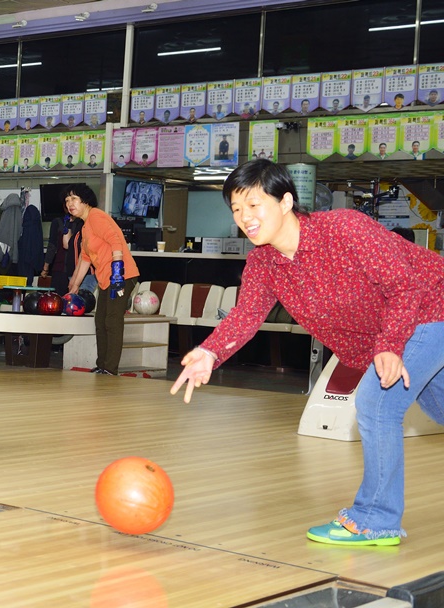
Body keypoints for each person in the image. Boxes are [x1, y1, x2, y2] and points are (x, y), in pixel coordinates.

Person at [169, 159, 444, 547]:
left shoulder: (344, 228)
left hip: (431, 307)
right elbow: (246, 315)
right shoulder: (264, 263)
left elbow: (405, 286)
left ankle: (375, 520)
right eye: (235, 209)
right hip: (398, 331)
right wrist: (210, 353)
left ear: (285, 202)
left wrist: (389, 345)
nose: (244, 217)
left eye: (253, 205)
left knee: (377, 405)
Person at [66, 185, 140, 375]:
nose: (69, 204)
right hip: (105, 279)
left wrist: (117, 273)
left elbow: (116, 240)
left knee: (112, 320)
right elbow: (85, 259)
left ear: (85, 200)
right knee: (100, 321)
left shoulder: (96, 216)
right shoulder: (85, 227)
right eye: (67, 201)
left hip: (122, 276)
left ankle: (110, 368)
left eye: (74, 199)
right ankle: (102, 365)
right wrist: (74, 286)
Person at [41, 208, 72, 295]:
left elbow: (52, 246)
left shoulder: (58, 222)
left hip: (60, 268)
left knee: (57, 300)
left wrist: (45, 268)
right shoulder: (81, 223)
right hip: (76, 269)